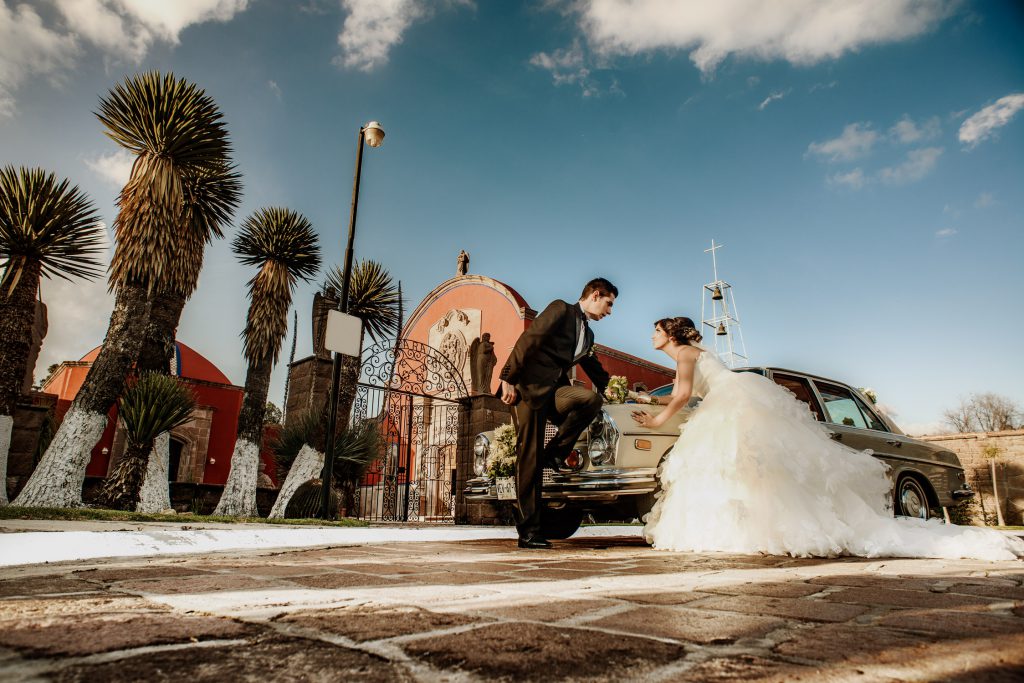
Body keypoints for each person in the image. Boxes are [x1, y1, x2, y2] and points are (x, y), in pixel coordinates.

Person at [632, 317, 1024, 560]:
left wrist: (654, 421)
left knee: (741, 466)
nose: (651, 336)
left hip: (731, 405)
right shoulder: (692, 354)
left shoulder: (684, 352)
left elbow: (683, 396)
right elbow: (684, 391)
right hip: (729, 399)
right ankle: (744, 528)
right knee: (749, 469)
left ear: (669, 333)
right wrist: (642, 397)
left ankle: (748, 529)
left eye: (654, 331)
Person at [498, 278, 615, 549]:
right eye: (609, 304)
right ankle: (529, 532)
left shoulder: (589, 334)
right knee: (529, 459)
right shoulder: (561, 309)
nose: (609, 311)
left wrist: (621, 391)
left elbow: (595, 369)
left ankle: (555, 454)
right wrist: (508, 377)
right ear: (596, 295)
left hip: (555, 394)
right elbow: (530, 338)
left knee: (589, 400)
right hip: (529, 389)